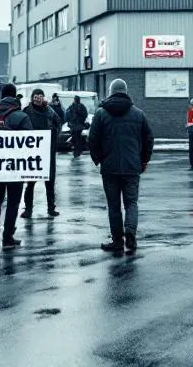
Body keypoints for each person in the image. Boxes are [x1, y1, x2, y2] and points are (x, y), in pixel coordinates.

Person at [88, 78, 154, 254]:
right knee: (131, 202)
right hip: (132, 167)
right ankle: (131, 234)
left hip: (109, 168)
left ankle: (117, 240)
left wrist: (98, 159)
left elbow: (92, 139)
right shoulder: (138, 114)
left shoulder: (101, 113)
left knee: (114, 205)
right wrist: (144, 160)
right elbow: (149, 139)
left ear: (110, 91)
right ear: (126, 91)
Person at [0, 84, 32, 249]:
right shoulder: (22, 116)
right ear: (15, 96)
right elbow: (29, 144)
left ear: (1, 96)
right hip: (15, 167)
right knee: (13, 202)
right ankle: (8, 236)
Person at [21, 88, 61, 219]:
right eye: (35, 96)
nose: (37, 98)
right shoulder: (27, 111)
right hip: (32, 154)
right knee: (30, 183)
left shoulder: (49, 111)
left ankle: (51, 208)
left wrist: (51, 107)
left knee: (50, 182)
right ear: (32, 98)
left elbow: (59, 122)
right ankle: (28, 209)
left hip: (48, 152)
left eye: (40, 96)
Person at [66, 94, 89, 159]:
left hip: (73, 126)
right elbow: (85, 114)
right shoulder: (82, 106)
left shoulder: (71, 106)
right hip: (79, 126)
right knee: (78, 139)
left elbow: (67, 115)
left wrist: (69, 121)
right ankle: (77, 151)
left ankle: (76, 151)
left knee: (75, 138)